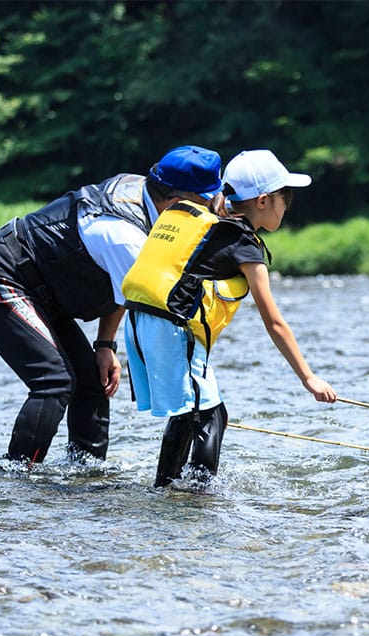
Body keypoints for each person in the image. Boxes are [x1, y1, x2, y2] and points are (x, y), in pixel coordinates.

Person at [0, 145, 225, 465]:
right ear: (178, 203)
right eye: (206, 203)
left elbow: (123, 286)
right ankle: (16, 477)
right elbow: (155, 300)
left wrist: (105, 345)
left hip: (42, 289)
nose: (211, 212)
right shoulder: (124, 236)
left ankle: (85, 478)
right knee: (54, 382)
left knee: (91, 382)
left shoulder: (146, 194)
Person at [121, 149, 337, 487]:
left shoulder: (206, 220)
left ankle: (167, 488)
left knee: (191, 412)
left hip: (138, 321)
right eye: (286, 197)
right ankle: (197, 496)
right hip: (171, 329)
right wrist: (309, 378)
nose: (288, 206)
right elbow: (274, 321)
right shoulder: (243, 243)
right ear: (264, 201)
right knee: (211, 416)